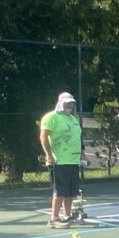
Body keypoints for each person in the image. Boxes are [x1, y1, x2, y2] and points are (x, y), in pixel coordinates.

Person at [39, 92, 82, 228]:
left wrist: (83, 154)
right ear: (60, 103)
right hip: (59, 161)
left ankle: (66, 216)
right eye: (67, 103)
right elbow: (43, 137)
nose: (69, 105)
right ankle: (53, 219)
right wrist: (49, 155)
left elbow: (77, 138)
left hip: (73, 161)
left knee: (70, 191)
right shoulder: (51, 117)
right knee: (60, 191)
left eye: (71, 103)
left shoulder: (73, 119)